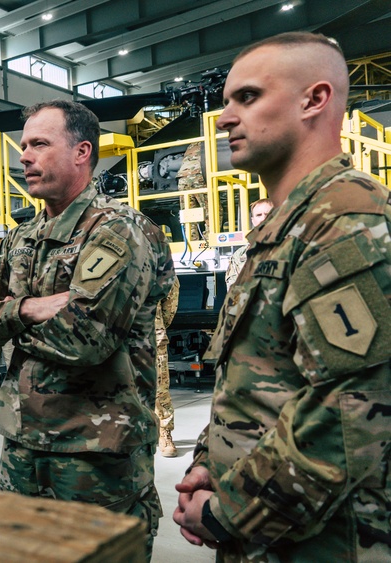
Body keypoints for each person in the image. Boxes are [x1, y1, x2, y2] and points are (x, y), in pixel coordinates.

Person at [173, 32, 391, 561]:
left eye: (246, 98)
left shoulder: (345, 221)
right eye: (226, 102)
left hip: (326, 542)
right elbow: (254, 378)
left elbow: (348, 413)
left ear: (313, 100)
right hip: (272, 533)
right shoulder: (284, 229)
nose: (225, 118)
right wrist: (208, 459)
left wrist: (228, 510)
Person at [0, 100, 176, 560]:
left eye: (39, 143)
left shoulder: (121, 231)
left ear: (82, 152)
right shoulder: (19, 238)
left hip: (96, 454)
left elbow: (85, 340)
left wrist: (5, 316)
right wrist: (30, 309)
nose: (24, 156)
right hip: (22, 446)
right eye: (23, 146)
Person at [155, 277, 180, 457]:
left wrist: (157, 326)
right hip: (115, 336)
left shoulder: (154, 257)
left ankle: (164, 432)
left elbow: (170, 294)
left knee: (159, 388)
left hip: (151, 335)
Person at [224, 198, 273, 287]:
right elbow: (233, 291)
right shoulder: (240, 255)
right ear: (253, 220)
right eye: (258, 215)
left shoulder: (291, 246)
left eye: (267, 214)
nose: (263, 218)